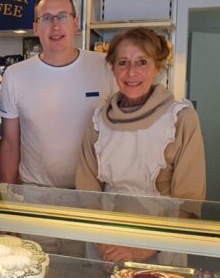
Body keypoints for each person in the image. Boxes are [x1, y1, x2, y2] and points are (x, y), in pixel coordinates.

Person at [76, 27, 206, 264]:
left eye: (142, 62)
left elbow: (189, 202)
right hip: (105, 243)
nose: (131, 72)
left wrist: (141, 251)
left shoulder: (181, 118)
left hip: (161, 248)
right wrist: (104, 243)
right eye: (122, 62)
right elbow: (87, 193)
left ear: (158, 68)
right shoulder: (98, 120)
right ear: (113, 69)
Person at [0, 0, 114, 188]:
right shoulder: (15, 75)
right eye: (46, 18)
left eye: (62, 16)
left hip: (92, 191)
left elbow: (119, 133)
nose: (55, 25)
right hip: (34, 192)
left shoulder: (105, 66)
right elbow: (10, 142)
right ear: (35, 28)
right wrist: (7, 197)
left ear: (75, 23)